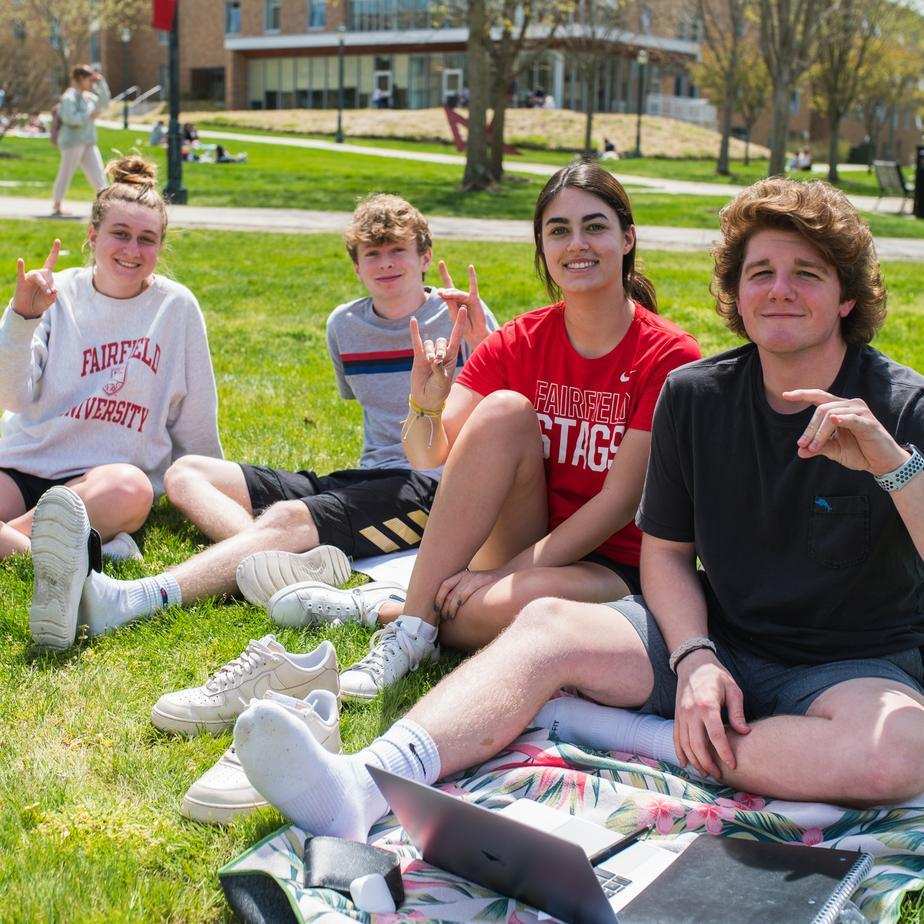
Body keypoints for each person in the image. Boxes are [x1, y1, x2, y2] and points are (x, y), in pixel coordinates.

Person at [231, 177, 924, 845]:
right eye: (760, 272)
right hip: (719, 636)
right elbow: (667, 554)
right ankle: (362, 784)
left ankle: (631, 734)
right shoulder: (697, 395)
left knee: (901, 754)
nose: (779, 289)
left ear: (845, 298)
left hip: (851, 665)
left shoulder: (900, 406)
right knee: (547, 626)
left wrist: (895, 468)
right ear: (736, 295)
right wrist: (695, 657)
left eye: (806, 272)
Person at [286, 161, 700, 701]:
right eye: (558, 231)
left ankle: (385, 609)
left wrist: (501, 574)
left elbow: (620, 502)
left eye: (594, 226)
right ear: (542, 249)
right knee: (504, 409)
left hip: (615, 564)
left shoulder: (668, 353)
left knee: (491, 610)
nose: (577, 243)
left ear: (627, 238)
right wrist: (426, 404)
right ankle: (412, 629)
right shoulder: (522, 339)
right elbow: (427, 453)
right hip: (523, 536)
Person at [28, 194, 496, 652]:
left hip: (431, 488)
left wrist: (483, 339)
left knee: (290, 518)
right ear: (356, 266)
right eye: (373, 254)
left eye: (399, 251)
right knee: (186, 473)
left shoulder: (459, 317)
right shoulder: (345, 326)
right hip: (366, 477)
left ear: (426, 257)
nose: (386, 264)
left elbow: (504, 409)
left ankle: (138, 597)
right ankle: (275, 565)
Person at [3, 156, 222, 646]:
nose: (132, 249)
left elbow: (196, 416)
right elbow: (13, 397)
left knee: (133, 488)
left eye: (147, 239)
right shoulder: (53, 294)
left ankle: (45, 546)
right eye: (120, 234)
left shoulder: (176, 307)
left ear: (161, 248)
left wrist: (209, 486)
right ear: (93, 235)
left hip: (106, 482)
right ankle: (85, 555)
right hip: (26, 463)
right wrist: (21, 319)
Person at [51, 65, 111, 217]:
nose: (91, 83)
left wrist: (101, 83)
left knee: (98, 174)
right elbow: (70, 118)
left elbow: (104, 103)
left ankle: (107, 206)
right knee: (66, 172)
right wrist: (88, 116)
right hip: (72, 142)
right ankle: (57, 205)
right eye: (88, 79)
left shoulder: (87, 96)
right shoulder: (69, 97)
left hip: (88, 141)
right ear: (80, 79)